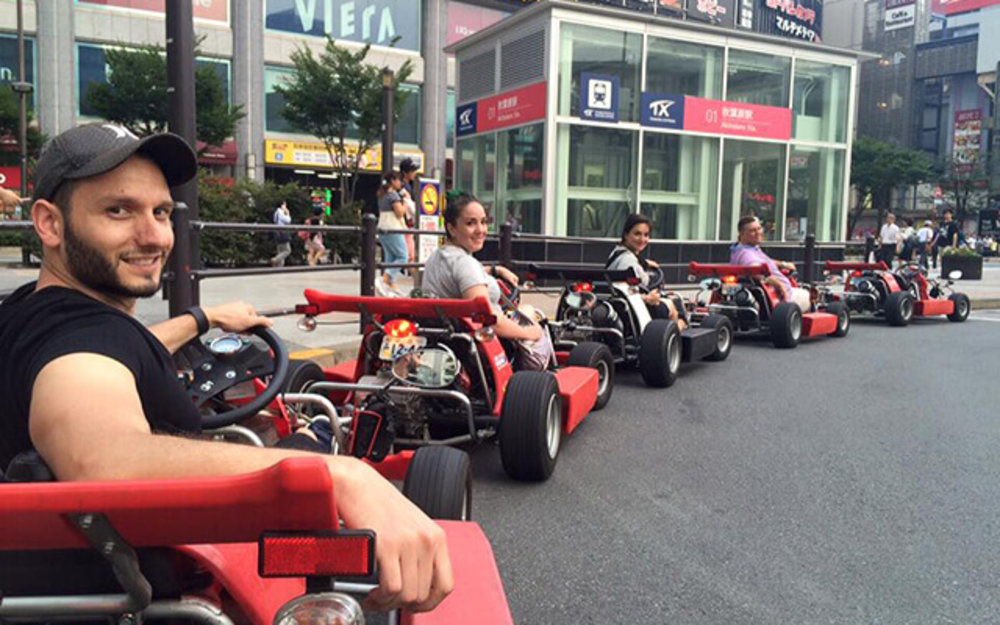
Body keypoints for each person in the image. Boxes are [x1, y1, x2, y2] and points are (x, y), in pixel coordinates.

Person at [0, 123, 452, 613]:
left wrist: (202, 319)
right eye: (118, 211)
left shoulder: (32, 314)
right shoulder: (79, 340)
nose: (154, 236)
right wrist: (341, 475)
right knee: (308, 444)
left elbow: (106, 356)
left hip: (79, 581)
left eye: (161, 212)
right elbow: (104, 460)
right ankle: (324, 436)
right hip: (180, 586)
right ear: (49, 223)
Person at [422, 195, 552, 371]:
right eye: (470, 223)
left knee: (526, 311)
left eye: (483, 222)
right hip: (485, 347)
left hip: (450, 337)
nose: (481, 229)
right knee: (533, 316)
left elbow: (462, 275)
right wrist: (530, 332)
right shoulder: (466, 264)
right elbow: (488, 320)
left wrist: (496, 270)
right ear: (452, 228)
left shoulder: (437, 257)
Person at [605, 213, 686, 329]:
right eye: (637, 234)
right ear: (626, 235)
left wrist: (645, 263)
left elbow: (634, 261)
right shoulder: (628, 262)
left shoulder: (617, 253)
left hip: (624, 306)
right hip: (634, 310)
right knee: (673, 304)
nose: (642, 239)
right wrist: (648, 298)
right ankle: (675, 337)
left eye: (646, 235)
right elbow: (627, 293)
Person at [730, 215, 811, 312]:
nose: (758, 233)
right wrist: (780, 286)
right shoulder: (746, 255)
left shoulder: (745, 248)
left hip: (776, 296)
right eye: (753, 230)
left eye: (759, 228)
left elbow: (766, 261)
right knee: (809, 295)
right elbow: (756, 271)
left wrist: (783, 264)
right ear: (742, 234)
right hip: (780, 298)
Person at [377, 172, 409, 295]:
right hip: (393, 229)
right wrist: (405, 202)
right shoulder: (393, 195)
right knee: (402, 257)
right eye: (399, 180)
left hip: (382, 229)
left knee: (391, 258)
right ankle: (384, 279)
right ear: (393, 181)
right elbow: (400, 213)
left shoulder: (382, 195)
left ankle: (392, 285)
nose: (400, 183)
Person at [399, 159, 420, 268]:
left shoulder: (407, 185)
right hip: (405, 223)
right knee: (408, 255)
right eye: (412, 171)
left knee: (405, 254)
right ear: (405, 173)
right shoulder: (403, 187)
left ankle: (388, 279)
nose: (414, 173)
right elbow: (408, 204)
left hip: (406, 223)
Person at [270, 200, 292, 267]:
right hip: (283, 233)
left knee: (280, 251)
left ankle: (279, 267)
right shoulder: (281, 212)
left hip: (277, 233)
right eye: (285, 205)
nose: (286, 206)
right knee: (287, 250)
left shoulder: (276, 213)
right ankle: (275, 259)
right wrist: (288, 213)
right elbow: (288, 221)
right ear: (282, 205)